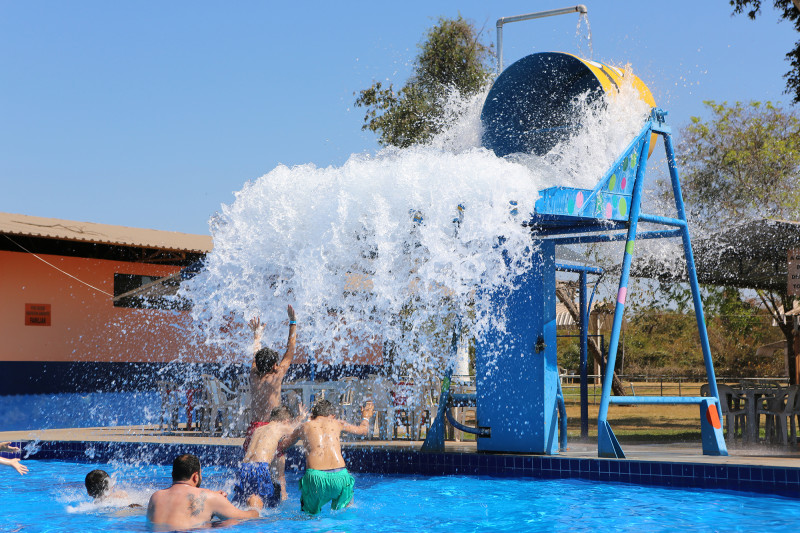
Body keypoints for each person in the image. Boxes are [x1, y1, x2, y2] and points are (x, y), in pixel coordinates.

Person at [278, 399, 374, 515]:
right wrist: (366, 417)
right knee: (345, 512)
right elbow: (363, 430)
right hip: (341, 477)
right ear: (332, 415)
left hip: (316, 478)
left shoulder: (304, 426)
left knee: (309, 517)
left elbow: (284, 445)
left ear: (313, 415)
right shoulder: (337, 423)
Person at [146, 453, 260, 530]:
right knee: (230, 523)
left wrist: (214, 498)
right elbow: (246, 517)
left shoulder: (156, 497)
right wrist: (255, 507)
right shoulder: (210, 498)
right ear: (196, 476)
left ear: (173, 475)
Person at [242, 304, 298, 453]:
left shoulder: (253, 375)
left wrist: (257, 336)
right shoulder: (276, 376)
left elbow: (255, 354)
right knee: (279, 472)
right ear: (274, 365)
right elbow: (290, 349)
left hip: (254, 428)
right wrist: (293, 323)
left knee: (252, 462)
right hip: (272, 428)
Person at [231, 404, 306, 508]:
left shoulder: (259, 429)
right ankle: (255, 521)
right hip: (260, 467)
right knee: (260, 505)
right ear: (286, 421)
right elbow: (296, 429)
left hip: (244, 467)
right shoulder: (280, 427)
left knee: (241, 503)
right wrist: (301, 417)